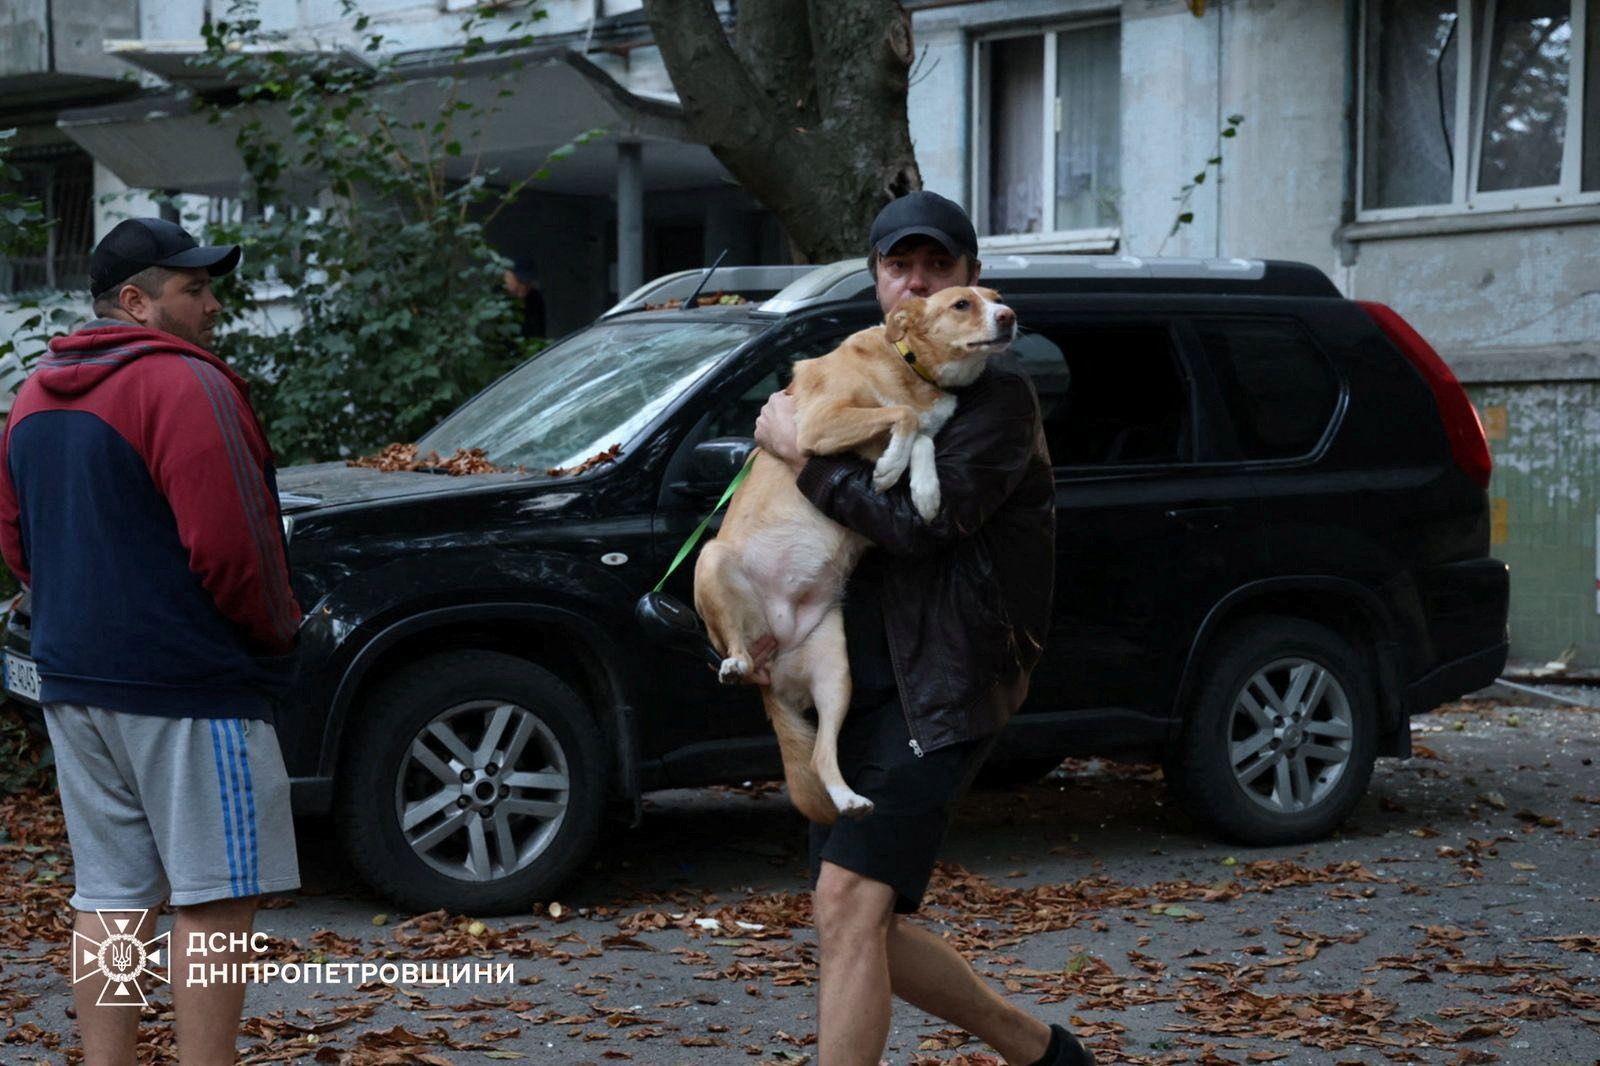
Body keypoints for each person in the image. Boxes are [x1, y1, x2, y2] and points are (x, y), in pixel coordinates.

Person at [752, 190, 1092, 1065]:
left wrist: (802, 456)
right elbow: (805, 537)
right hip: (856, 677)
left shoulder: (998, 400)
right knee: (855, 915)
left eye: (937, 266)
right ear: (876, 282)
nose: (915, 281)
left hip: (945, 679)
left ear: (970, 281)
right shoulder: (865, 375)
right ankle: (1042, 1052)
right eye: (899, 266)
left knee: (850, 904)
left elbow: (917, 527)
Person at [0, 217, 303, 1066]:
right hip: (190, 683)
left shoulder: (32, 395)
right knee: (214, 900)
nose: (213, 306)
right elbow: (236, 543)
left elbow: (18, 544)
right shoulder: (182, 386)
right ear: (134, 302)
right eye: (193, 290)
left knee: (112, 897)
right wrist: (277, 639)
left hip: (75, 680)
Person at [502, 259, 546, 339]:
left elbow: (538, 332)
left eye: (527, 282)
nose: (524, 287)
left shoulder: (535, 298)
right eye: (520, 282)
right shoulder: (498, 298)